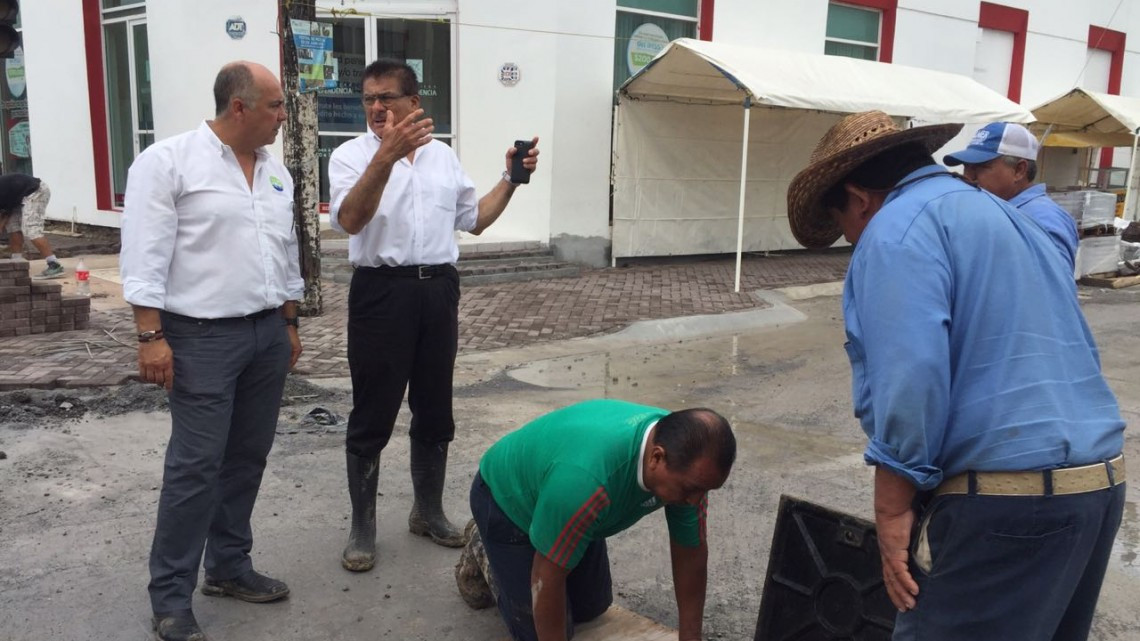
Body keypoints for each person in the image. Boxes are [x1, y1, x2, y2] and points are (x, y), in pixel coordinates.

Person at [786, 110, 1126, 641]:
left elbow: (912, 376)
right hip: (1097, 485)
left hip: (1010, 505)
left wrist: (893, 506)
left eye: (846, 229)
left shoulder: (896, 229)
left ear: (857, 198)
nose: (853, 241)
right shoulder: (1013, 219)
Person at [327, 58, 539, 571]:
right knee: (373, 411)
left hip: (437, 291)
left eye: (387, 99)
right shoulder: (350, 156)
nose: (376, 108)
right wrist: (386, 157)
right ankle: (363, 528)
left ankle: (427, 511)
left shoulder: (443, 158)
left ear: (414, 104)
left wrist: (511, 179)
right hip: (382, 293)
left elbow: (476, 219)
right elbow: (350, 219)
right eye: (369, 100)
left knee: (434, 408)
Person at [119, 61, 304, 641]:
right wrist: (150, 336)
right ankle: (170, 597)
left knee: (247, 456)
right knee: (195, 467)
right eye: (275, 106)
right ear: (240, 107)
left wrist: (290, 323)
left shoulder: (276, 173)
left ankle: (227, 565)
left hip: (266, 333)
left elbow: (287, 251)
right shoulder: (168, 162)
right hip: (199, 337)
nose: (284, 116)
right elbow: (145, 253)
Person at [456, 399, 735, 641]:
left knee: (592, 608)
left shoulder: (687, 459)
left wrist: (690, 636)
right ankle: (482, 549)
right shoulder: (586, 483)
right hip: (507, 503)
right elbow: (546, 578)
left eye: (705, 491)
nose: (696, 500)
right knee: (549, 630)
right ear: (656, 458)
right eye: (691, 490)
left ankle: (553, 535)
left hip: (567, 503)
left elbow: (691, 552)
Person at [943, 122, 1079, 270]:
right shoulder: (996, 209)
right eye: (966, 167)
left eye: (980, 167)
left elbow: (1052, 287)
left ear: (1019, 170)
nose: (969, 177)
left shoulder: (1042, 220)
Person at [0, 173, 64, 279]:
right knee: (12, 226)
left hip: (35, 191)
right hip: (17, 197)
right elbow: (6, 210)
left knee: (31, 228)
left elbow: (4, 212)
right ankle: (17, 264)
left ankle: (54, 265)